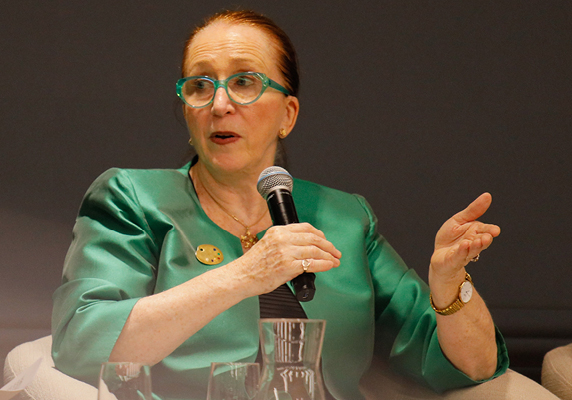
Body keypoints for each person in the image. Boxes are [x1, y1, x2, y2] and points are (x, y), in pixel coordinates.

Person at [51, 9, 509, 400]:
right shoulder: (134, 197)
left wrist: (451, 286)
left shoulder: (346, 217)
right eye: (200, 86)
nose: (220, 103)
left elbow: (470, 366)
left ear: (288, 114)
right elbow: (82, 340)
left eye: (244, 82)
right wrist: (244, 276)